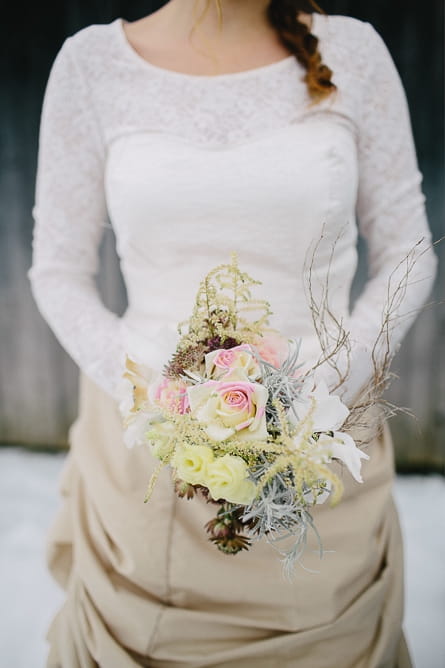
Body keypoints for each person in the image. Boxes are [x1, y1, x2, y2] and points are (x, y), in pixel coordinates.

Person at [28, 1, 437, 666]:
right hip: (146, 450)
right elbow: (57, 272)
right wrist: (161, 401)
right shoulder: (90, 65)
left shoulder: (352, 51)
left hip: (323, 439)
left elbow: (407, 253)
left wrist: (318, 391)